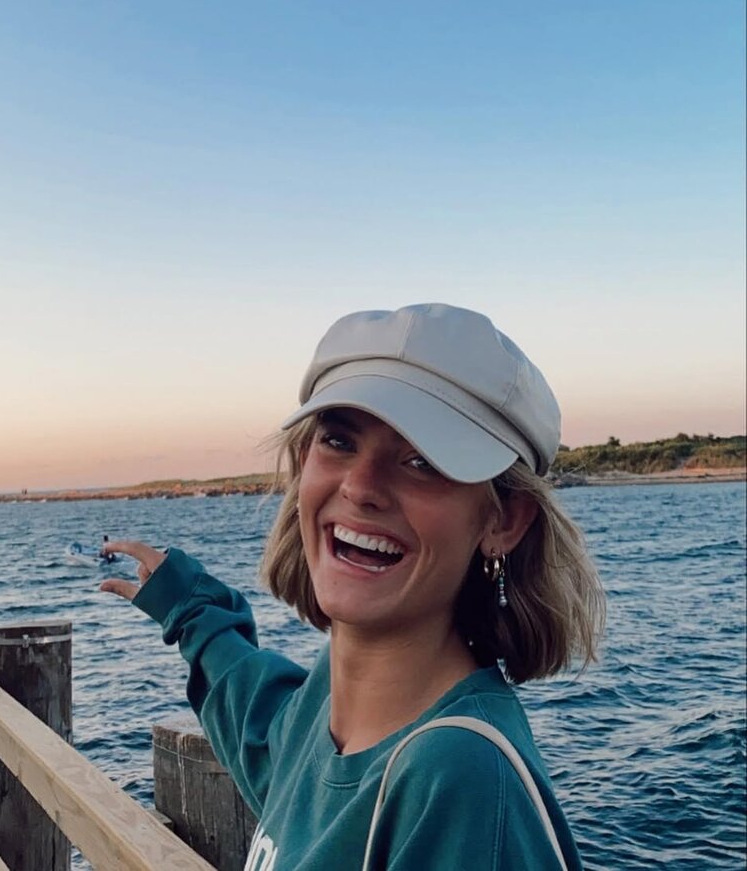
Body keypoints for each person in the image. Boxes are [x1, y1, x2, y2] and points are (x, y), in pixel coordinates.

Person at [102, 303, 605, 870]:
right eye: (339, 442)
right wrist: (187, 606)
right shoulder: (325, 711)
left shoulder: (462, 783)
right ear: (304, 465)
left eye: (422, 461)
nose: (361, 487)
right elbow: (261, 729)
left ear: (503, 521)